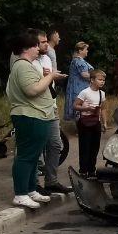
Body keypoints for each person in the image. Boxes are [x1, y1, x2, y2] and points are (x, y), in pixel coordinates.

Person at [5, 31, 57, 209]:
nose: (38, 49)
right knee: (26, 156)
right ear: (26, 48)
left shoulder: (27, 65)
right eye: (35, 45)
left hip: (37, 115)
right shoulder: (22, 66)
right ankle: (20, 193)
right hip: (29, 116)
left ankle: (30, 189)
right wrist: (50, 77)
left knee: (34, 156)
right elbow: (32, 90)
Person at [33, 31, 69, 195]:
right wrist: (47, 77)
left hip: (51, 104)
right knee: (36, 146)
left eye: (47, 41)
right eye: (42, 42)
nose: (46, 44)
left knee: (55, 144)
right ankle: (33, 183)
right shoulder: (28, 61)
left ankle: (51, 181)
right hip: (36, 107)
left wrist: (54, 77)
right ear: (34, 44)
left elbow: (49, 79)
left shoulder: (47, 58)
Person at [73, 69, 107, 177]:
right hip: (85, 122)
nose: (102, 82)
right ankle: (83, 170)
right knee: (85, 147)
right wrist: (84, 108)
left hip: (95, 122)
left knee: (95, 147)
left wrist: (104, 122)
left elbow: (104, 108)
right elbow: (75, 105)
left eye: (103, 80)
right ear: (92, 80)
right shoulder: (85, 92)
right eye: (100, 79)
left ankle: (92, 169)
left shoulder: (102, 93)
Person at [64, 41, 93, 123]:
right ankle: (81, 128)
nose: (87, 51)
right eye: (86, 49)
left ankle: (81, 127)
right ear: (80, 51)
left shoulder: (76, 60)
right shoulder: (78, 61)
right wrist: (95, 77)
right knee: (80, 106)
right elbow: (84, 74)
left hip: (77, 86)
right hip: (79, 87)